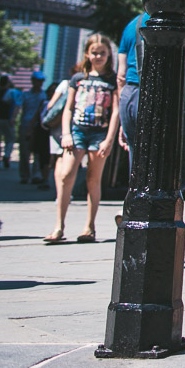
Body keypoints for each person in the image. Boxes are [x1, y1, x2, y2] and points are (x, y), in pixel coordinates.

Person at [117, 0, 185, 218]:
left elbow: (121, 76)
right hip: (169, 97)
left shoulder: (133, 24)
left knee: (138, 168)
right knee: (175, 173)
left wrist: (123, 118)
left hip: (131, 97)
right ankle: (157, 224)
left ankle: (135, 216)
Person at [47, 34, 121, 244]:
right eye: (94, 52)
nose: (98, 56)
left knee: (93, 178)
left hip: (100, 132)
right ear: (87, 54)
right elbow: (68, 108)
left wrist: (109, 139)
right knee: (66, 174)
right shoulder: (78, 79)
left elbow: (115, 111)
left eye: (102, 53)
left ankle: (90, 226)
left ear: (109, 55)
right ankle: (59, 225)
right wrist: (66, 133)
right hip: (77, 131)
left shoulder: (112, 80)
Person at [10, 71, 50, 186]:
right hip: (25, 124)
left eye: (41, 81)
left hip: (39, 126)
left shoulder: (44, 95)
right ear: (33, 81)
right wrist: (13, 118)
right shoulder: (25, 94)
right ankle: (24, 175)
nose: (39, 83)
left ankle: (36, 174)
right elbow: (18, 106)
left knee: (38, 151)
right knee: (24, 152)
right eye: (38, 81)